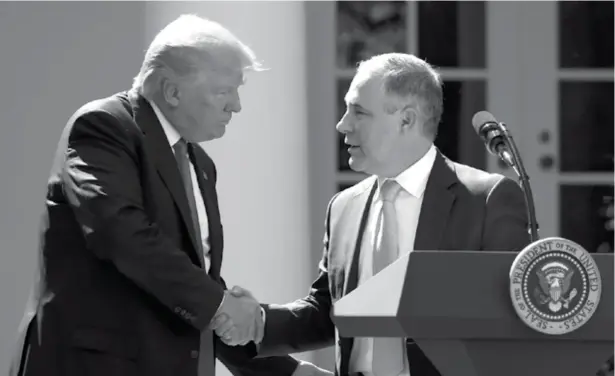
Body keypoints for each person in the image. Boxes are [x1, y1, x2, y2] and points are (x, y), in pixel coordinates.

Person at [9, 14, 327, 376]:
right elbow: (122, 235)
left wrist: (284, 372)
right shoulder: (104, 126)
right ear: (172, 91)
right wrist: (222, 305)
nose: (236, 105)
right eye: (224, 91)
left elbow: (187, 289)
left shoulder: (200, 164)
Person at [215, 53, 532, 376]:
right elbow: (329, 312)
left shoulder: (486, 199)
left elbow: (508, 326)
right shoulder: (343, 207)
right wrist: (258, 322)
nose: (343, 124)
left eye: (359, 112)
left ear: (406, 120)